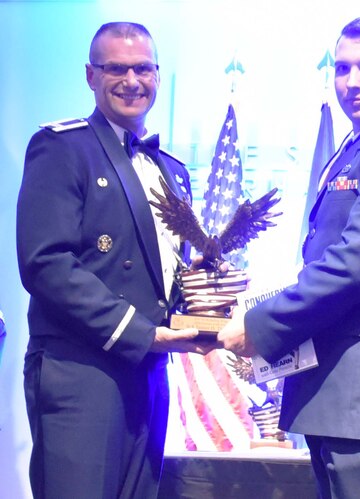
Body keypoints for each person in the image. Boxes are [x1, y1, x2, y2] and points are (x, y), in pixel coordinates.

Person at [219, 16, 360, 499]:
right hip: (339, 387)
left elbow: (355, 264)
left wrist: (260, 326)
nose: (352, 81)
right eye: (343, 68)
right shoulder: (356, 148)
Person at [16, 22, 210, 499]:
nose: (131, 80)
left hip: (149, 372)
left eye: (142, 68)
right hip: (80, 372)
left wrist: (211, 306)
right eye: (115, 68)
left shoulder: (172, 170)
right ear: (90, 75)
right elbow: (45, 263)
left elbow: (170, 274)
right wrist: (142, 334)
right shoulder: (61, 148)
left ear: (158, 75)